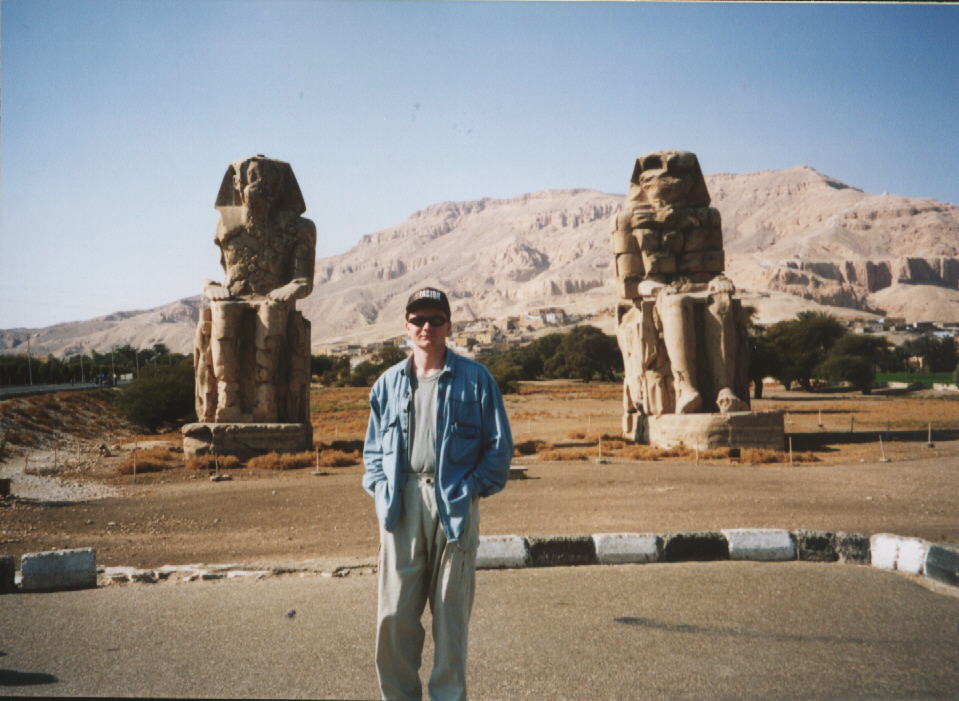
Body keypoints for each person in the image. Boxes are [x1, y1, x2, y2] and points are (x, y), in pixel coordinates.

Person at [363, 286, 513, 701]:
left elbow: (499, 449)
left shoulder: (476, 379)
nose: (426, 326)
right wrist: (380, 489)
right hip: (401, 504)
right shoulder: (387, 384)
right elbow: (372, 451)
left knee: (450, 619)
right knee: (394, 616)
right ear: (406, 325)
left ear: (449, 325)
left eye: (435, 319)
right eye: (418, 320)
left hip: (454, 505)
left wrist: (470, 488)